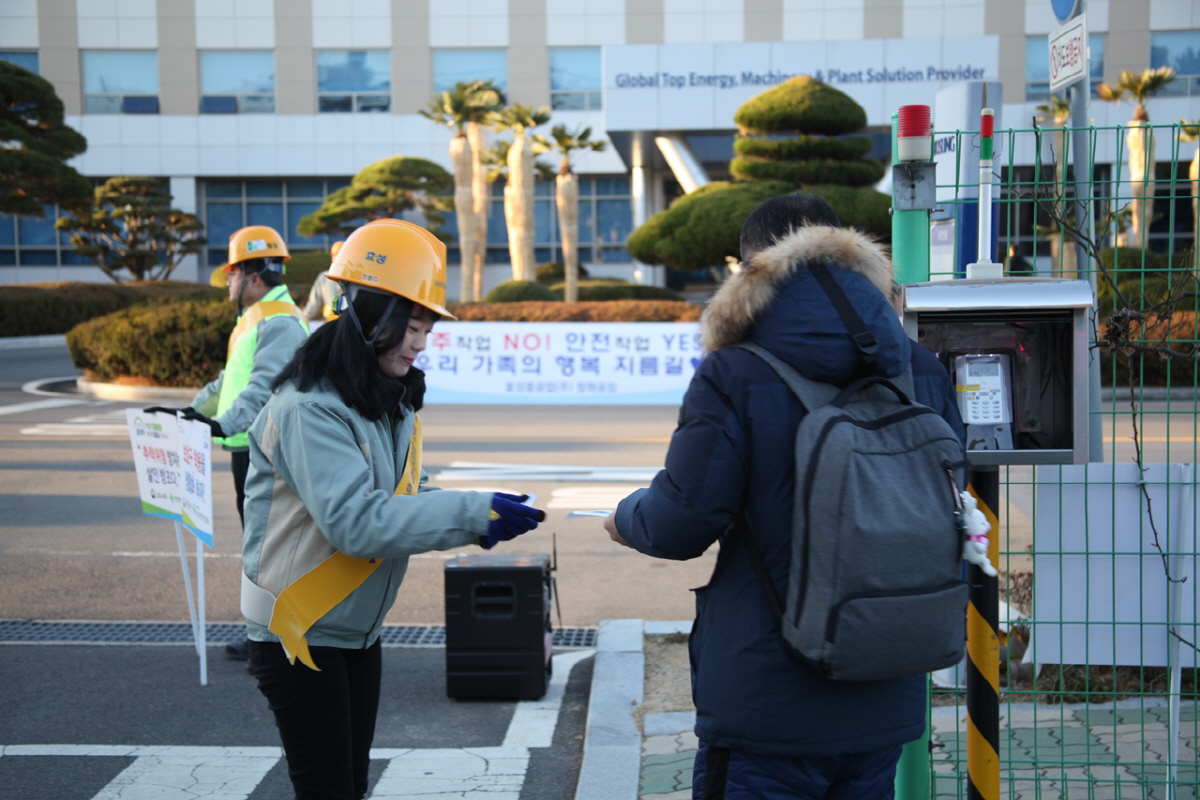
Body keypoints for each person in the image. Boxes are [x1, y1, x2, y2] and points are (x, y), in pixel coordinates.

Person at [603, 193, 965, 800]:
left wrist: (625, 516)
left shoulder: (735, 374)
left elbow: (680, 523)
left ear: (751, 271)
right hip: (888, 682)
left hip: (767, 699)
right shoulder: (921, 369)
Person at [240, 217, 545, 800]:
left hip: (351, 629)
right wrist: (469, 514)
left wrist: (475, 515)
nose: (420, 342)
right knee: (330, 790)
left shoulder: (384, 399)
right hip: (298, 630)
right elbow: (357, 521)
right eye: (410, 324)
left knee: (348, 785)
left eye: (426, 327)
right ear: (366, 310)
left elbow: (404, 499)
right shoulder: (309, 406)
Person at [146, 225, 310, 662]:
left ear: (253, 276)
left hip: (265, 449)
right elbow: (228, 382)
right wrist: (193, 414)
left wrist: (217, 425)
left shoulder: (280, 322)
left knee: (269, 546)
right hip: (247, 445)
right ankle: (270, 633)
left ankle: (276, 638)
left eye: (230, 276)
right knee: (261, 543)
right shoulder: (257, 318)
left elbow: (262, 389)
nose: (228, 286)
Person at [303, 240, 343, 323]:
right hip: (335, 323)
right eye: (335, 255)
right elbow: (313, 307)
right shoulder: (324, 277)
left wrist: (302, 320)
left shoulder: (324, 277)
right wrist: (303, 319)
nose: (337, 258)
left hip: (332, 324)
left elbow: (313, 307)